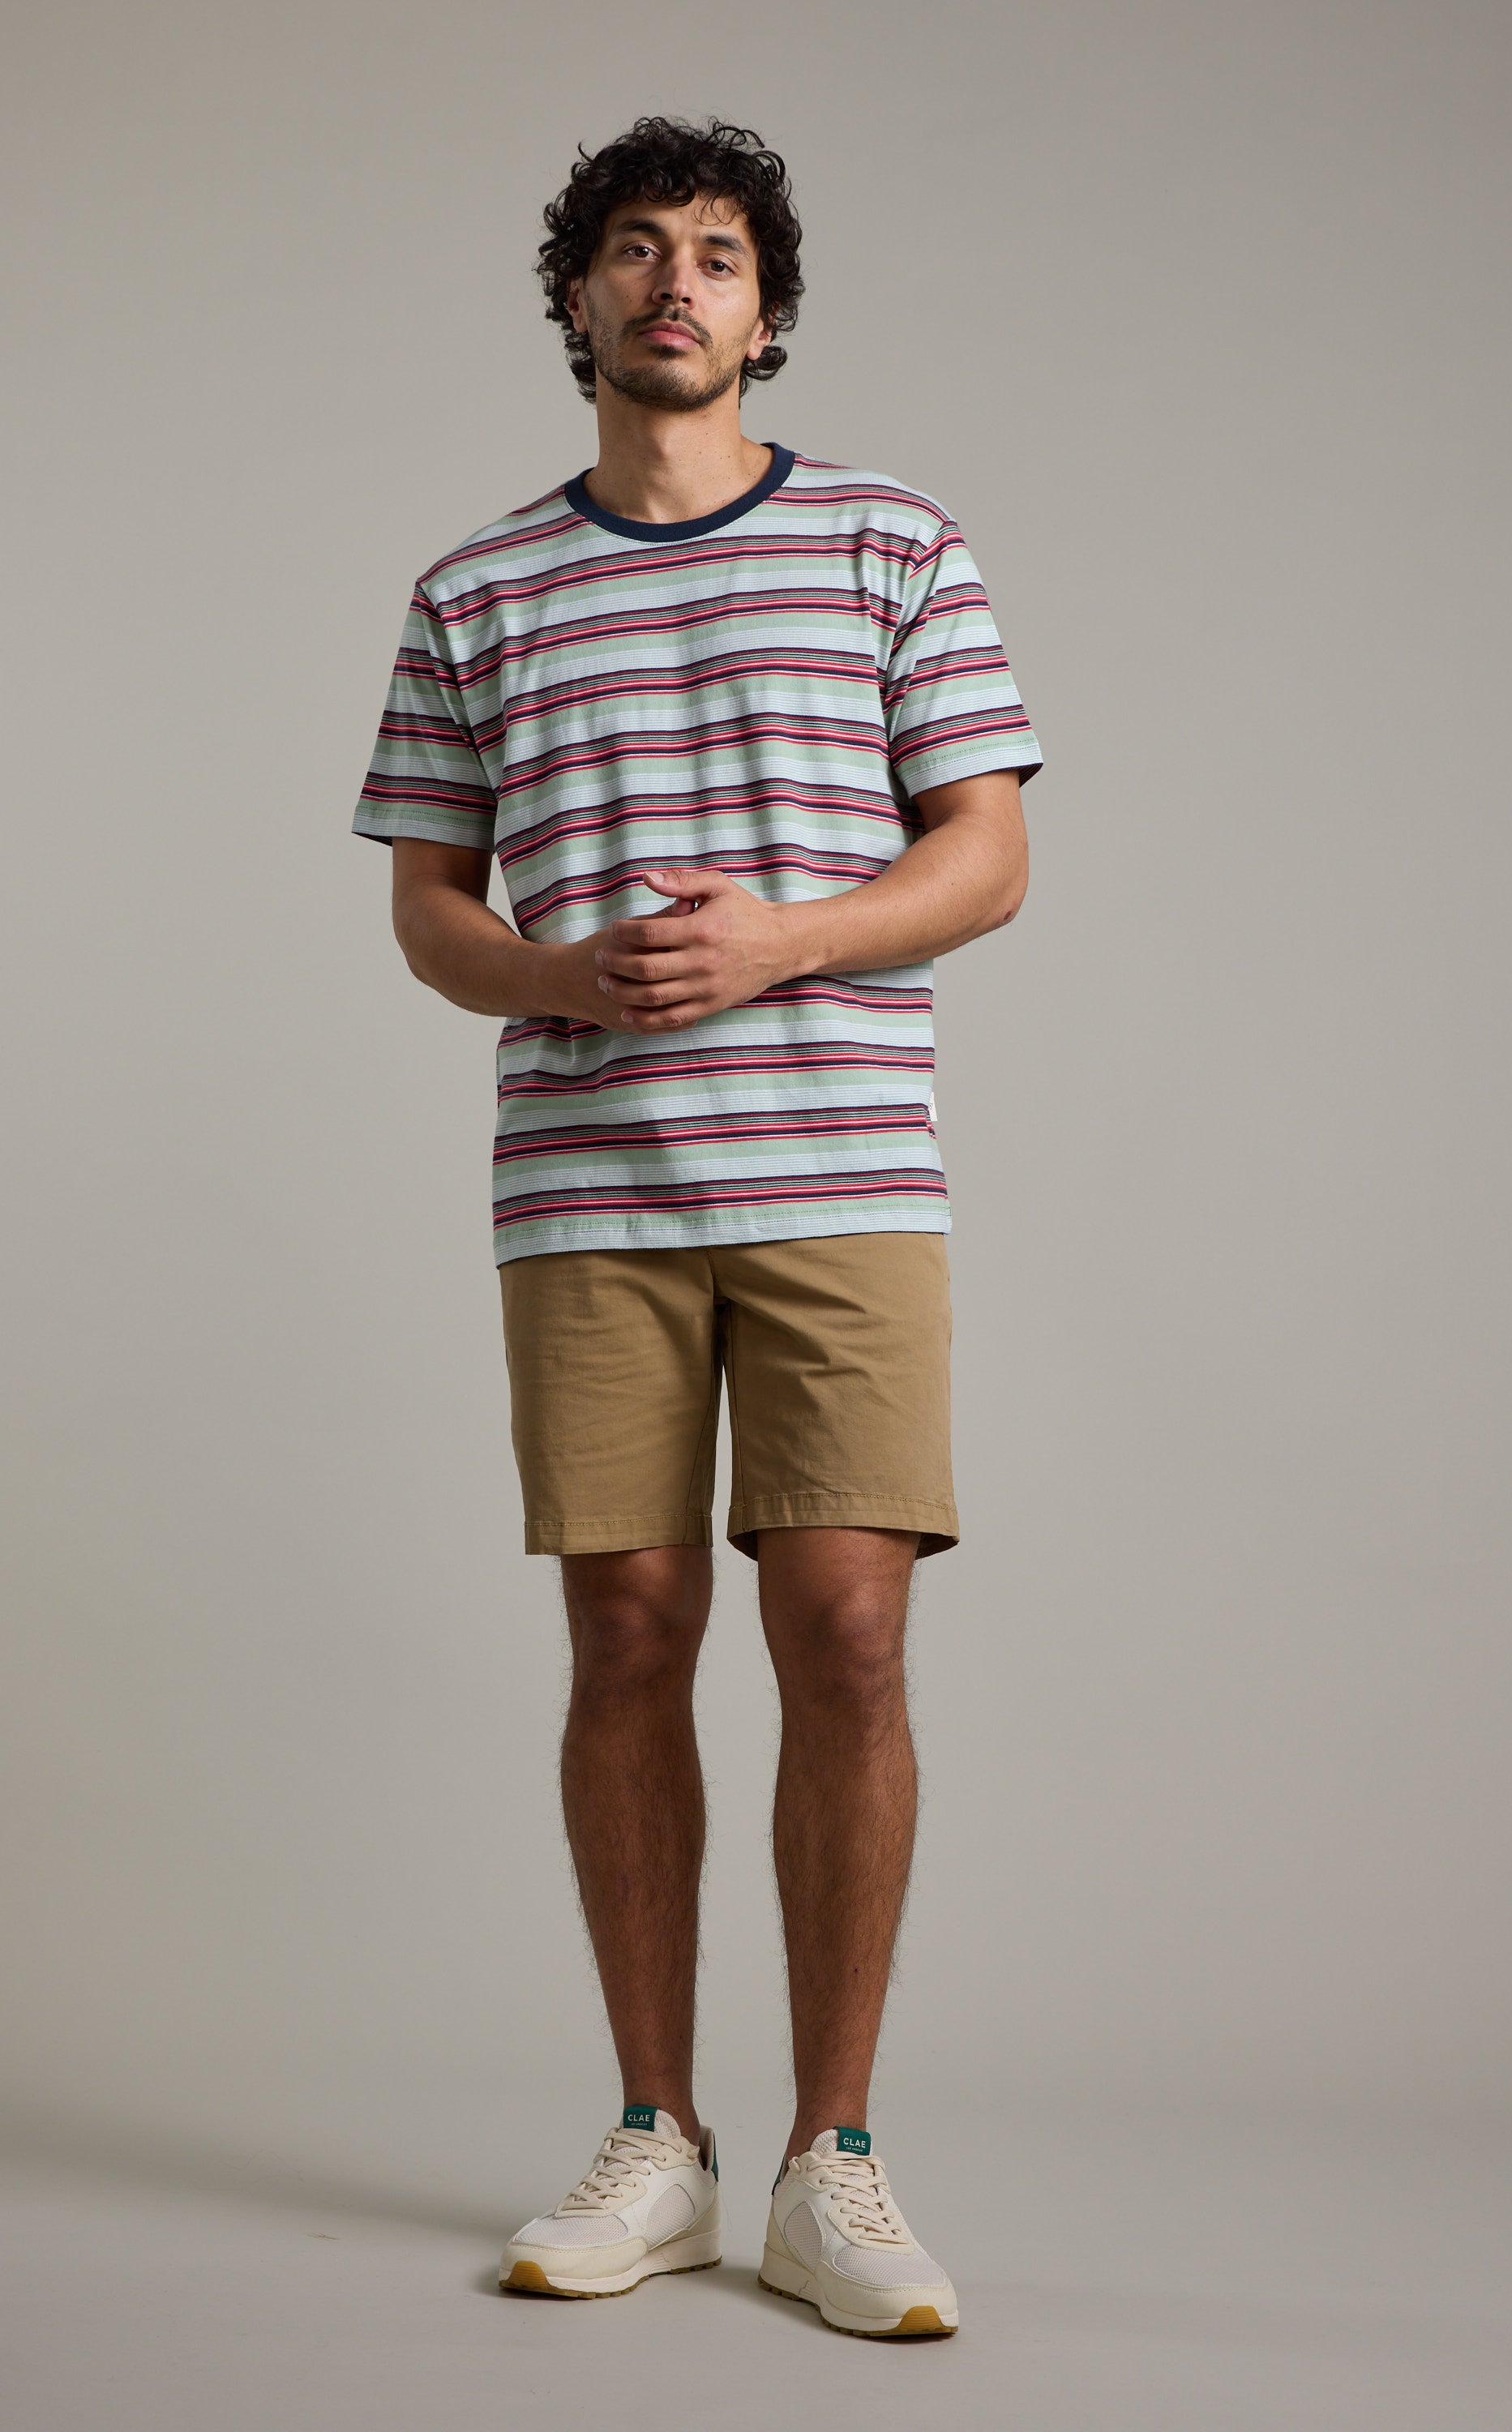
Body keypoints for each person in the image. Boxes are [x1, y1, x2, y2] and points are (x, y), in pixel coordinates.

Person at [353, 114, 1042, 2340]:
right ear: (574, 302)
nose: (674, 285)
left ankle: (832, 2164)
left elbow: (984, 857)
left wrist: (779, 945)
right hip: (585, 1193)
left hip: (842, 1176)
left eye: (717, 255)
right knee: (626, 1635)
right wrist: (557, 976)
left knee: (842, 1632)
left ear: (767, 307)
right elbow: (430, 911)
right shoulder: (476, 589)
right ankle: (657, 2136)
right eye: (633, 252)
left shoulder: (889, 544)